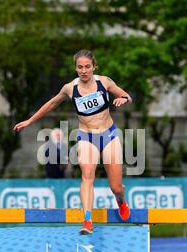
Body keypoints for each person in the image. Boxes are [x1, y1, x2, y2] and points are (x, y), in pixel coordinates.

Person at [13, 49, 132, 235]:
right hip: (86, 137)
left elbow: (126, 96)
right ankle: (87, 221)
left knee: (115, 186)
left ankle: (120, 199)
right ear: (75, 68)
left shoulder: (104, 82)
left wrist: (123, 99)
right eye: (80, 67)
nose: (84, 71)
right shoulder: (70, 88)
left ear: (94, 67)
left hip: (109, 135)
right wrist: (29, 121)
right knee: (87, 175)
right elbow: (51, 104)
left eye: (87, 67)